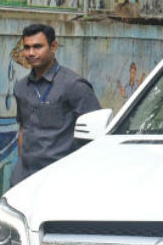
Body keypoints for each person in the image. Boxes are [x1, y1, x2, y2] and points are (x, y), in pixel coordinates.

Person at [11, 24, 101, 185]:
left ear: (53, 46)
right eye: (27, 47)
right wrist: (19, 170)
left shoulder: (74, 86)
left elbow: (97, 134)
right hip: (25, 179)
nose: (31, 53)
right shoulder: (21, 88)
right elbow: (23, 130)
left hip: (61, 180)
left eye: (38, 47)